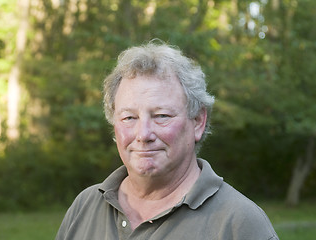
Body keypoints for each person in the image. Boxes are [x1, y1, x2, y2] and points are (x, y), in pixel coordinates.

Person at [55, 42, 279, 240]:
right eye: (129, 117)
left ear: (198, 122)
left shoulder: (239, 223)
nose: (143, 134)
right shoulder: (85, 206)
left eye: (161, 116)